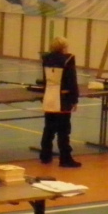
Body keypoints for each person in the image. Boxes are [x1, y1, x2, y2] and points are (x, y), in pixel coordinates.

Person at [39, 35, 81, 168]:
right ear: (63, 47)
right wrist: (74, 99)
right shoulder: (68, 59)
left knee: (49, 128)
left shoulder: (46, 58)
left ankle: (45, 155)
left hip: (49, 95)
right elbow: (71, 81)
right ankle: (65, 158)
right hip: (63, 98)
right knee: (64, 130)